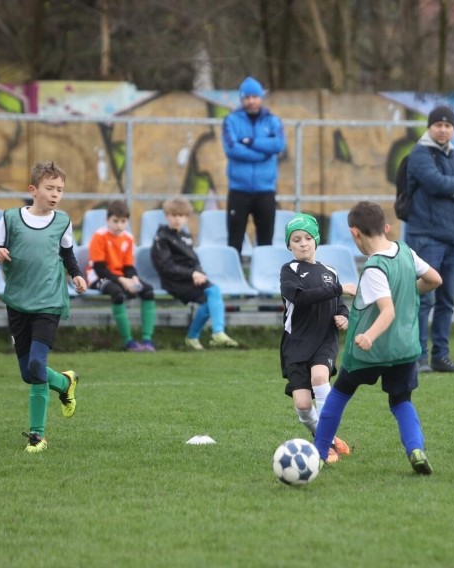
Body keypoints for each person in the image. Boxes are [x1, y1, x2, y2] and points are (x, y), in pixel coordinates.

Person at [313, 201, 442, 474]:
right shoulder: (406, 252)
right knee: (401, 401)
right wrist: (408, 291)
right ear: (385, 227)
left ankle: (319, 452)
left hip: (370, 350)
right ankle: (416, 449)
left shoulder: (374, 268)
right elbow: (434, 280)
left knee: (339, 394)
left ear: (354, 233)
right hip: (405, 348)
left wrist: (369, 336)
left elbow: (387, 311)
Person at [0, 161, 85, 453]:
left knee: (37, 364)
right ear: (33, 190)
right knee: (28, 372)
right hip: (18, 301)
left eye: (60, 190)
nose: (55, 194)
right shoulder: (10, 218)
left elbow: (68, 253)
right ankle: (65, 384)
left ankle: (37, 436)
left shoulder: (62, 221)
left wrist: (76, 275)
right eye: (49, 188)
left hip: (49, 301)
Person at [404, 105, 454, 373]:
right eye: (438, 124)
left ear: (453, 129)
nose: (443, 129)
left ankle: (441, 356)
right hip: (426, 237)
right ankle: (418, 357)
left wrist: (453, 188)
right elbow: (435, 183)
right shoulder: (419, 153)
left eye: (448, 125)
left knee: (447, 300)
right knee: (423, 300)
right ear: (429, 127)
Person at [280, 213, 355, 463]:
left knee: (320, 377)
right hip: (296, 343)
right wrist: (339, 289)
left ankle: (324, 447)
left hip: (324, 338)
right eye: (296, 239)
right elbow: (300, 297)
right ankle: (327, 438)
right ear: (289, 245)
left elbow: (338, 305)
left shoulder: (330, 272)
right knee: (302, 405)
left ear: (316, 241)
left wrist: (343, 316)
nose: (303, 243)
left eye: (307, 238)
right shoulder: (289, 271)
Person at [151, 197, 239, 349]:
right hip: (174, 282)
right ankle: (216, 332)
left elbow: (194, 261)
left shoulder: (186, 237)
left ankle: (193, 338)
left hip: (190, 278)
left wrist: (199, 272)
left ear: (186, 217)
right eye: (173, 215)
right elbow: (165, 266)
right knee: (213, 291)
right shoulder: (162, 237)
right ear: (167, 216)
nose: (177, 219)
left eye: (181, 215)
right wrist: (192, 274)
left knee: (210, 297)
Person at [221, 76, 286, 256]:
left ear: (261, 97)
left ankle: (264, 278)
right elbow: (232, 149)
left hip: (265, 190)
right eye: (247, 97)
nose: (251, 101)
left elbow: (279, 145)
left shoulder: (273, 121)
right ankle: (233, 276)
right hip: (238, 190)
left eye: (254, 97)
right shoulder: (231, 120)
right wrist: (263, 153)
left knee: (266, 241)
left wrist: (250, 142)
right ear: (242, 99)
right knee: (234, 241)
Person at [87, 200, 156, 352]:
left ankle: (147, 340)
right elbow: (99, 268)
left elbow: (128, 266)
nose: (119, 225)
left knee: (148, 290)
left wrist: (134, 278)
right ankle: (128, 342)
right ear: (107, 220)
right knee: (117, 293)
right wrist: (122, 281)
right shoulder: (99, 237)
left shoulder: (128, 238)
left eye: (123, 221)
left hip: (120, 277)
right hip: (97, 277)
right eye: (115, 221)